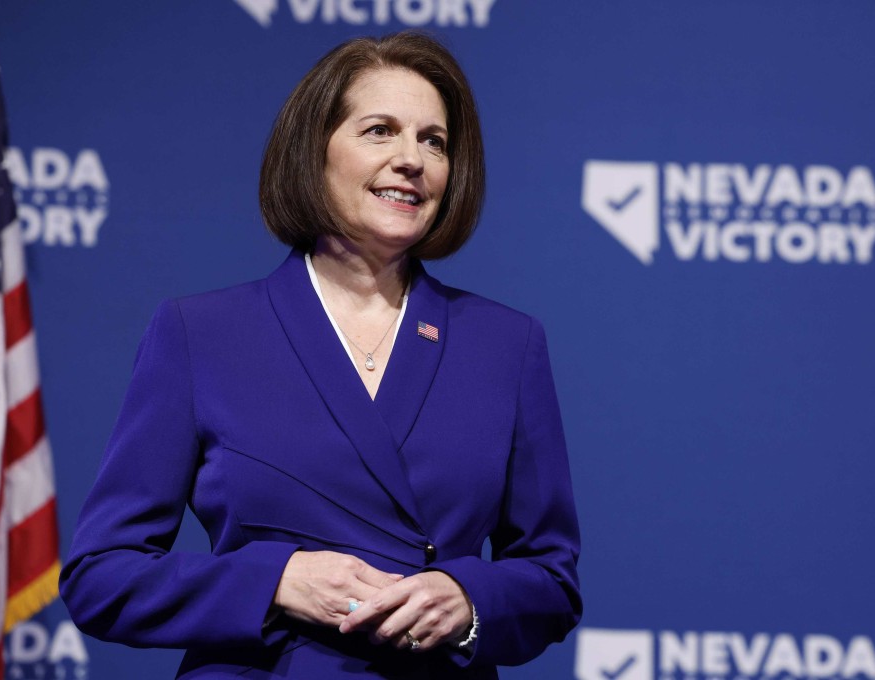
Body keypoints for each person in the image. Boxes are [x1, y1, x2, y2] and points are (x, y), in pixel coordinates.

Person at [59, 32, 581, 679]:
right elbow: (102, 576)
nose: (411, 159)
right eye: (380, 131)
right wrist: (275, 581)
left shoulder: (505, 344)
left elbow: (551, 580)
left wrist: (469, 599)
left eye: (433, 141)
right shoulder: (202, 333)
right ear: (314, 151)